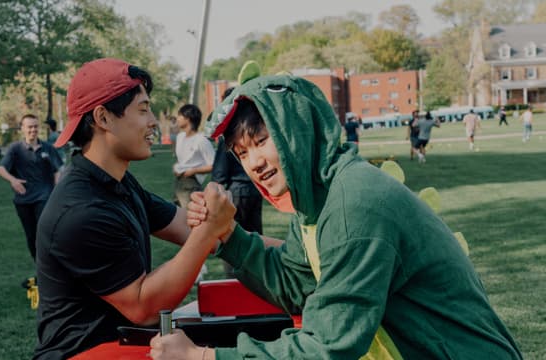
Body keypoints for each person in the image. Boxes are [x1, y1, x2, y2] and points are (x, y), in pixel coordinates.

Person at [150, 75, 523, 359]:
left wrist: (202, 355)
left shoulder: (353, 206)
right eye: (242, 153)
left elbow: (329, 345)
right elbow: (295, 284)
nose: (255, 163)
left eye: (263, 141)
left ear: (298, 130)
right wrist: (229, 235)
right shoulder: (320, 198)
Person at [33, 58, 236, 359]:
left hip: (125, 346)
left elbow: (187, 225)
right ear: (102, 117)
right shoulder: (80, 211)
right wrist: (207, 231)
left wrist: (298, 256)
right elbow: (144, 307)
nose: (154, 121)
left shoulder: (120, 184)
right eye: (143, 110)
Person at [0, 114, 63, 261]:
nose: (33, 130)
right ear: (22, 129)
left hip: (44, 198)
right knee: (31, 236)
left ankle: (50, 266)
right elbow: (1, 169)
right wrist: (13, 180)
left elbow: (58, 169)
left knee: (44, 232)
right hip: (23, 200)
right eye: (30, 127)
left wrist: (56, 186)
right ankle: (40, 268)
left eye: (36, 126)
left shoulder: (47, 148)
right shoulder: (16, 149)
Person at [212, 87, 263, 278]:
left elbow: (220, 172)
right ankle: (257, 278)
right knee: (256, 238)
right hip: (255, 189)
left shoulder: (229, 133)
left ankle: (235, 281)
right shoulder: (253, 127)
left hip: (237, 192)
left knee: (232, 240)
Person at [173, 104, 215, 208]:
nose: (177, 118)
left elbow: (214, 165)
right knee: (177, 216)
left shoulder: (201, 140)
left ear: (188, 118)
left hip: (192, 184)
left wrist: (193, 171)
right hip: (179, 182)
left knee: (190, 217)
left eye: (180, 115)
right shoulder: (180, 137)